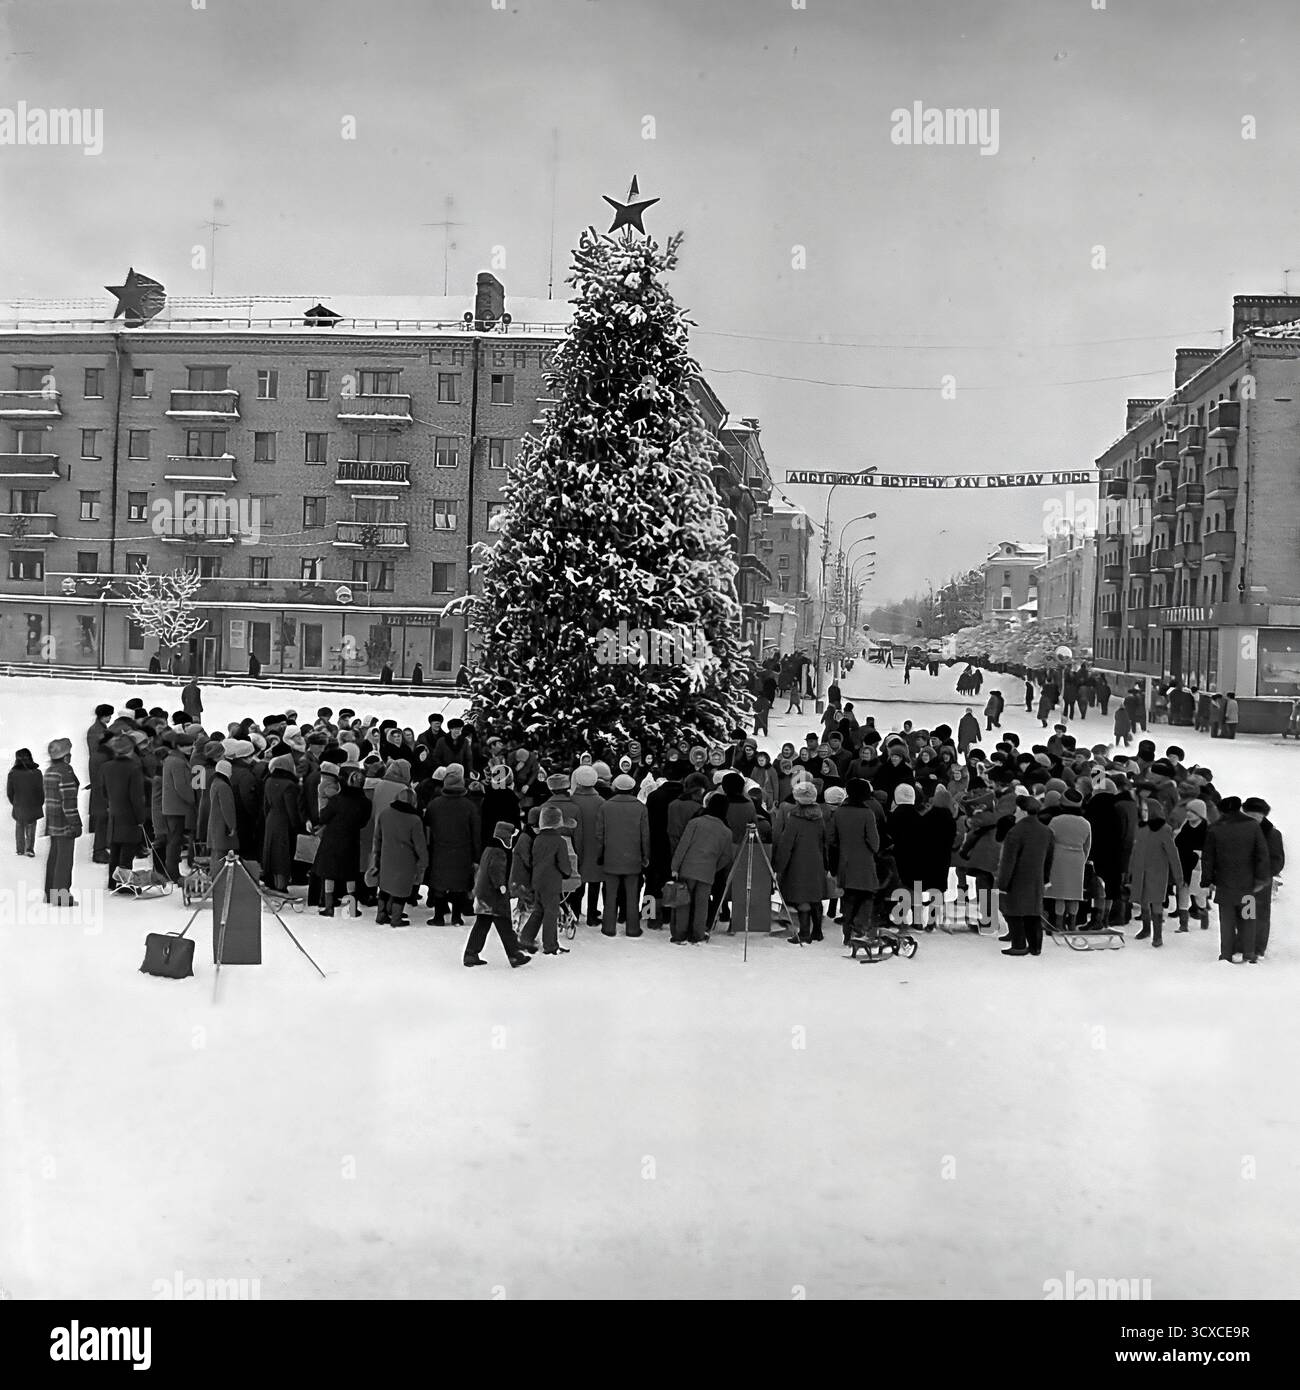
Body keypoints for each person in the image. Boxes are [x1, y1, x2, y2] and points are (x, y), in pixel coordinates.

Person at [1201, 796, 1270, 964]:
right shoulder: (1252, 826)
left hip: (1225, 884)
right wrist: (1260, 879)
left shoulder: (1215, 829)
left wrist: (1207, 880)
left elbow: (1208, 858)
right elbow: (1262, 853)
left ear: (1221, 810)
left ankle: (1226, 954)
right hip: (1248, 885)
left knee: (1227, 922)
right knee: (1248, 920)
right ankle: (1249, 953)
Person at [668, 792, 734, 944]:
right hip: (707, 872)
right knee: (702, 905)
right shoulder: (726, 832)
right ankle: (697, 934)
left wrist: (675, 866)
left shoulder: (695, 823)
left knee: (684, 902)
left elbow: (683, 846)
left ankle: (680, 934)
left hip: (687, 869)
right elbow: (726, 857)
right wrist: (713, 867)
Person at [465, 821, 531, 968]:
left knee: (482, 924)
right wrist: (500, 885)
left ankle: (471, 953)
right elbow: (496, 870)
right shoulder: (499, 852)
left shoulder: (488, 849)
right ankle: (514, 955)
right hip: (493, 896)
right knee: (504, 924)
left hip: (483, 894)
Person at [996, 794, 1053, 956]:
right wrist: (1046, 879)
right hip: (1036, 878)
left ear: (1023, 811)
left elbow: (1008, 861)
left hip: (1017, 878)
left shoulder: (1015, 831)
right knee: (1033, 912)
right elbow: (1049, 858)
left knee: (1013, 911)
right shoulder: (1046, 831)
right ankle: (1036, 946)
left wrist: (1003, 884)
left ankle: (1019, 945)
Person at [596, 772, 649, 936]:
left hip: (611, 856)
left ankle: (608, 927)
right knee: (632, 895)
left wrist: (600, 854)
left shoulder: (605, 806)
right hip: (633, 858)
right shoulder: (640, 807)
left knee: (610, 894)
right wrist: (645, 855)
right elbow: (645, 835)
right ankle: (633, 928)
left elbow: (600, 834)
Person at [774, 780, 828, 943]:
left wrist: (779, 866)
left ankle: (804, 933)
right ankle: (817, 931)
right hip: (816, 862)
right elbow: (824, 841)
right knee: (815, 897)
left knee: (802, 897)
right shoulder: (819, 817)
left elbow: (786, 845)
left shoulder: (795, 819)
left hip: (798, 863)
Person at [312, 766, 371, 915]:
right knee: (350, 875)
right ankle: (351, 908)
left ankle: (329, 907)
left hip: (332, 839)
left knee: (329, 873)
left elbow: (323, 818)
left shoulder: (337, 800)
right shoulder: (365, 802)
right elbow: (363, 822)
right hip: (352, 839)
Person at [518, 804, 575, 956]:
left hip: (538, 881)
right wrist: (567, 873)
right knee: (551, 913)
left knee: (538, 911)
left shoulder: (537, 839)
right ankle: (550, 945)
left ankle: (525, 938)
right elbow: (563, 864)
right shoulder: (559, 841)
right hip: (552, 883)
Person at [370, 785, 427, 927]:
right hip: (406, 861)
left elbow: (377, 837)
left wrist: (376, 855)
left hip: (386, 857)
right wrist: (424, 862)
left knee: (384, 887)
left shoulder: (385, 814)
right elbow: (420, 845)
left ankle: (381, 914)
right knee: (401, 890)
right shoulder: (415, 820)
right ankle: (396, 918)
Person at [99, 733, 148, 892]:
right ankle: (123, 883)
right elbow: (136, 797)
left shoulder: (106, 767)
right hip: (130, 814)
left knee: (115, 848)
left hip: (114, 812)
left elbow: (104, 792)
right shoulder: (133, 768)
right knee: (127, 850)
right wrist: (141, 817)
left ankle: (112, 881)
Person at [1128, 807, 1183, 947]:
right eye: (1144, 810)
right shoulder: (1141, 828)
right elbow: (1135, 850)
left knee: (1156, 900)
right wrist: (1129, 870)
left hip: (1157, 871)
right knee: (1142, 899)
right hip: (1140, 869)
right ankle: (1146, 928)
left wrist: (1178, 876)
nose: (1145, 813)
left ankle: (1157, 935)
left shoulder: (1164, 829)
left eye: (1148, 810)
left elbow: (1172, 853)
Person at [1242, 797, 1284, 959]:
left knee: (1259, 914)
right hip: (1239, 879)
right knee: (1242, 913)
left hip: (1260, 882)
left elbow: (1277, 860)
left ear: (1263, 816)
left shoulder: (1272, 834)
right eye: (1248, 815)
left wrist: (1263, 876)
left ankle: (1257, 948)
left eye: (1256, 816)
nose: (1252, 820)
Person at [42, 737, 82, 906]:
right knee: (64, 861)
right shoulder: (65, 772)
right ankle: (61, 896)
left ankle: (50, 893)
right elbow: (68, 801)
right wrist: (75, 823)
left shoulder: (50, 770)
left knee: (54, 858)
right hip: (64, 822)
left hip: (52, 820)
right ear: (66, 756)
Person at [7, 747, 43, 856]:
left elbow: (10, 792)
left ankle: (20, 849)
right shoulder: (37, 773)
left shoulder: (13, 773)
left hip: (19, 804)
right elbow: (40, 790)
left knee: (19, 825)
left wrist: (15, 802)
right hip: (33, 804)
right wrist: (40, 802)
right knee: (31, 825)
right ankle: (29, 849)